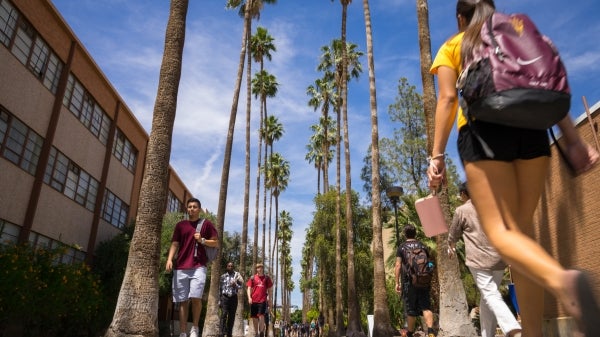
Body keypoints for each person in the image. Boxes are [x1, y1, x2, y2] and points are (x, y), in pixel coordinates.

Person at [427, 1, 600, 336]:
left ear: (461, 18)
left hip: (484, 130)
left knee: (501, 233)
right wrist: (572, 140)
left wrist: (436, 156)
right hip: (533, 131)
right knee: (522, 237)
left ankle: (564, 281)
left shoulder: (455, 44)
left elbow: (447, 99)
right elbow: (546, 84)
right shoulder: (521, 33)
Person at [448, 182, 521, 337]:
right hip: (498, 260)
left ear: (463, 194)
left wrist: (451, 246)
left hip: (478, 260)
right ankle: (488, 334)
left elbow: (453, 234)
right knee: (486, 296)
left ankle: (513, 328)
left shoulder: (462, 210)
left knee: (490, 294)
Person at [166, 198, 219, 337]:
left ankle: (195, 328)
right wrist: (170, 259)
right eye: (189, 207)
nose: (191, 209)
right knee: (183, 300)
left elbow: (215, 243)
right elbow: (175, 244)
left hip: (198, 266)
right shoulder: (180, 225)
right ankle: (183, 332)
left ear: (199, 209)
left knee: (196, 297)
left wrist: (202, 240)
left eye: (194, 207)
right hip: (181, 267)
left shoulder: (206, 224)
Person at [395, 224, 436, 337]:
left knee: (411, 309)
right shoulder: (422, 246)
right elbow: (430, 263)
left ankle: (410, 333)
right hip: (423, 281)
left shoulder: (402, 247)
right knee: (426, 307)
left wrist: (397, 283)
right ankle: (431, 332)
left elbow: (398, 265)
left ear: (405, 234)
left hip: (409, 281)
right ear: (415, 233)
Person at [247, 263, 273, 337]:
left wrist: (270, 299)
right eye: (258, 267)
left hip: (263, 300)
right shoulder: (252, 278)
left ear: (263, 268)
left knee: (261, 316)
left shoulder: (266, 278)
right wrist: (249, 297)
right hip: (254, 300)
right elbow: (248, 288)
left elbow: (270, 289)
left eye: (261, 267)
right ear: (256, 269)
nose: (260, 269)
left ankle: (261, 332)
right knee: (254, 318)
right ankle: (256, 333)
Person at [219, 261, 244, 337]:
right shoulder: (223, 276)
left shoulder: (237, 275)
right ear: (227, 267)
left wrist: (235, 285)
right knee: (223, 315)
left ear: (233, 267)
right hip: (224, 298)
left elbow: (241, 286)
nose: (230, 267)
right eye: (229, 266)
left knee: (232, 316)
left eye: (232, 266)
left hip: (233, 298)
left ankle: (229, 333)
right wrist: (219, 300)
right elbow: (220, 288)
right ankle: (222, 333)